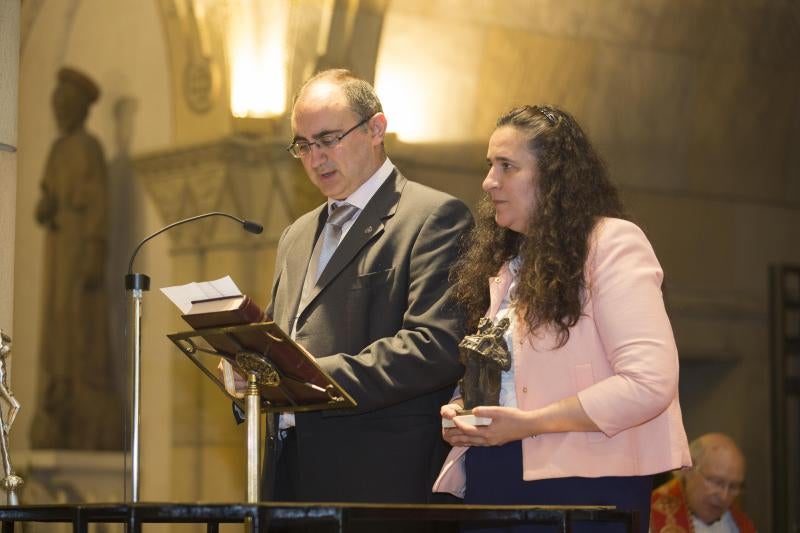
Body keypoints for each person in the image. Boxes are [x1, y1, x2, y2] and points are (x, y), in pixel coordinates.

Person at [433, 105, 691, 532]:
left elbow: (650, 382)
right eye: (489, 165)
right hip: (495, 473)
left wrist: (530, 423)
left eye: (507, 166)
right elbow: (516, 376)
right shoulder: (506, 264)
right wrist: (465, 409)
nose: (488, 181)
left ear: (554, 177)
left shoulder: (612, 243)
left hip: (584, 486)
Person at [264, 69, 472, 504]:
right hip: (290, 470)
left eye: (328, 139)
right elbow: (281, 337)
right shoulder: (296, 235)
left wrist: (308, 378)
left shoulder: (432, 217)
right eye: (303, 145)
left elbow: (435, 345)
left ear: (376, 129)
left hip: (379, 474)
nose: (315, 157)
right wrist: (249, 371)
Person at [30, 67, 124, 450]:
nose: (59, 110)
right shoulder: (57, 149)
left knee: (79, 326)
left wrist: (94, 253)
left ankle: (79, 402)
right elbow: (43, 202)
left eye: (65, 103)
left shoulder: (89, 148)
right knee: (56, 328)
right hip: (58, 249)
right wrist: (46, 207)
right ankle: (57, 397)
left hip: (79, 251)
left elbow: (99, 208)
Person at [651, 433, 756, 532]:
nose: (724, 497)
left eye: (733, 487)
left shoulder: (738, 526)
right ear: (688, 469)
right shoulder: (647, 518)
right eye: (716, 482)